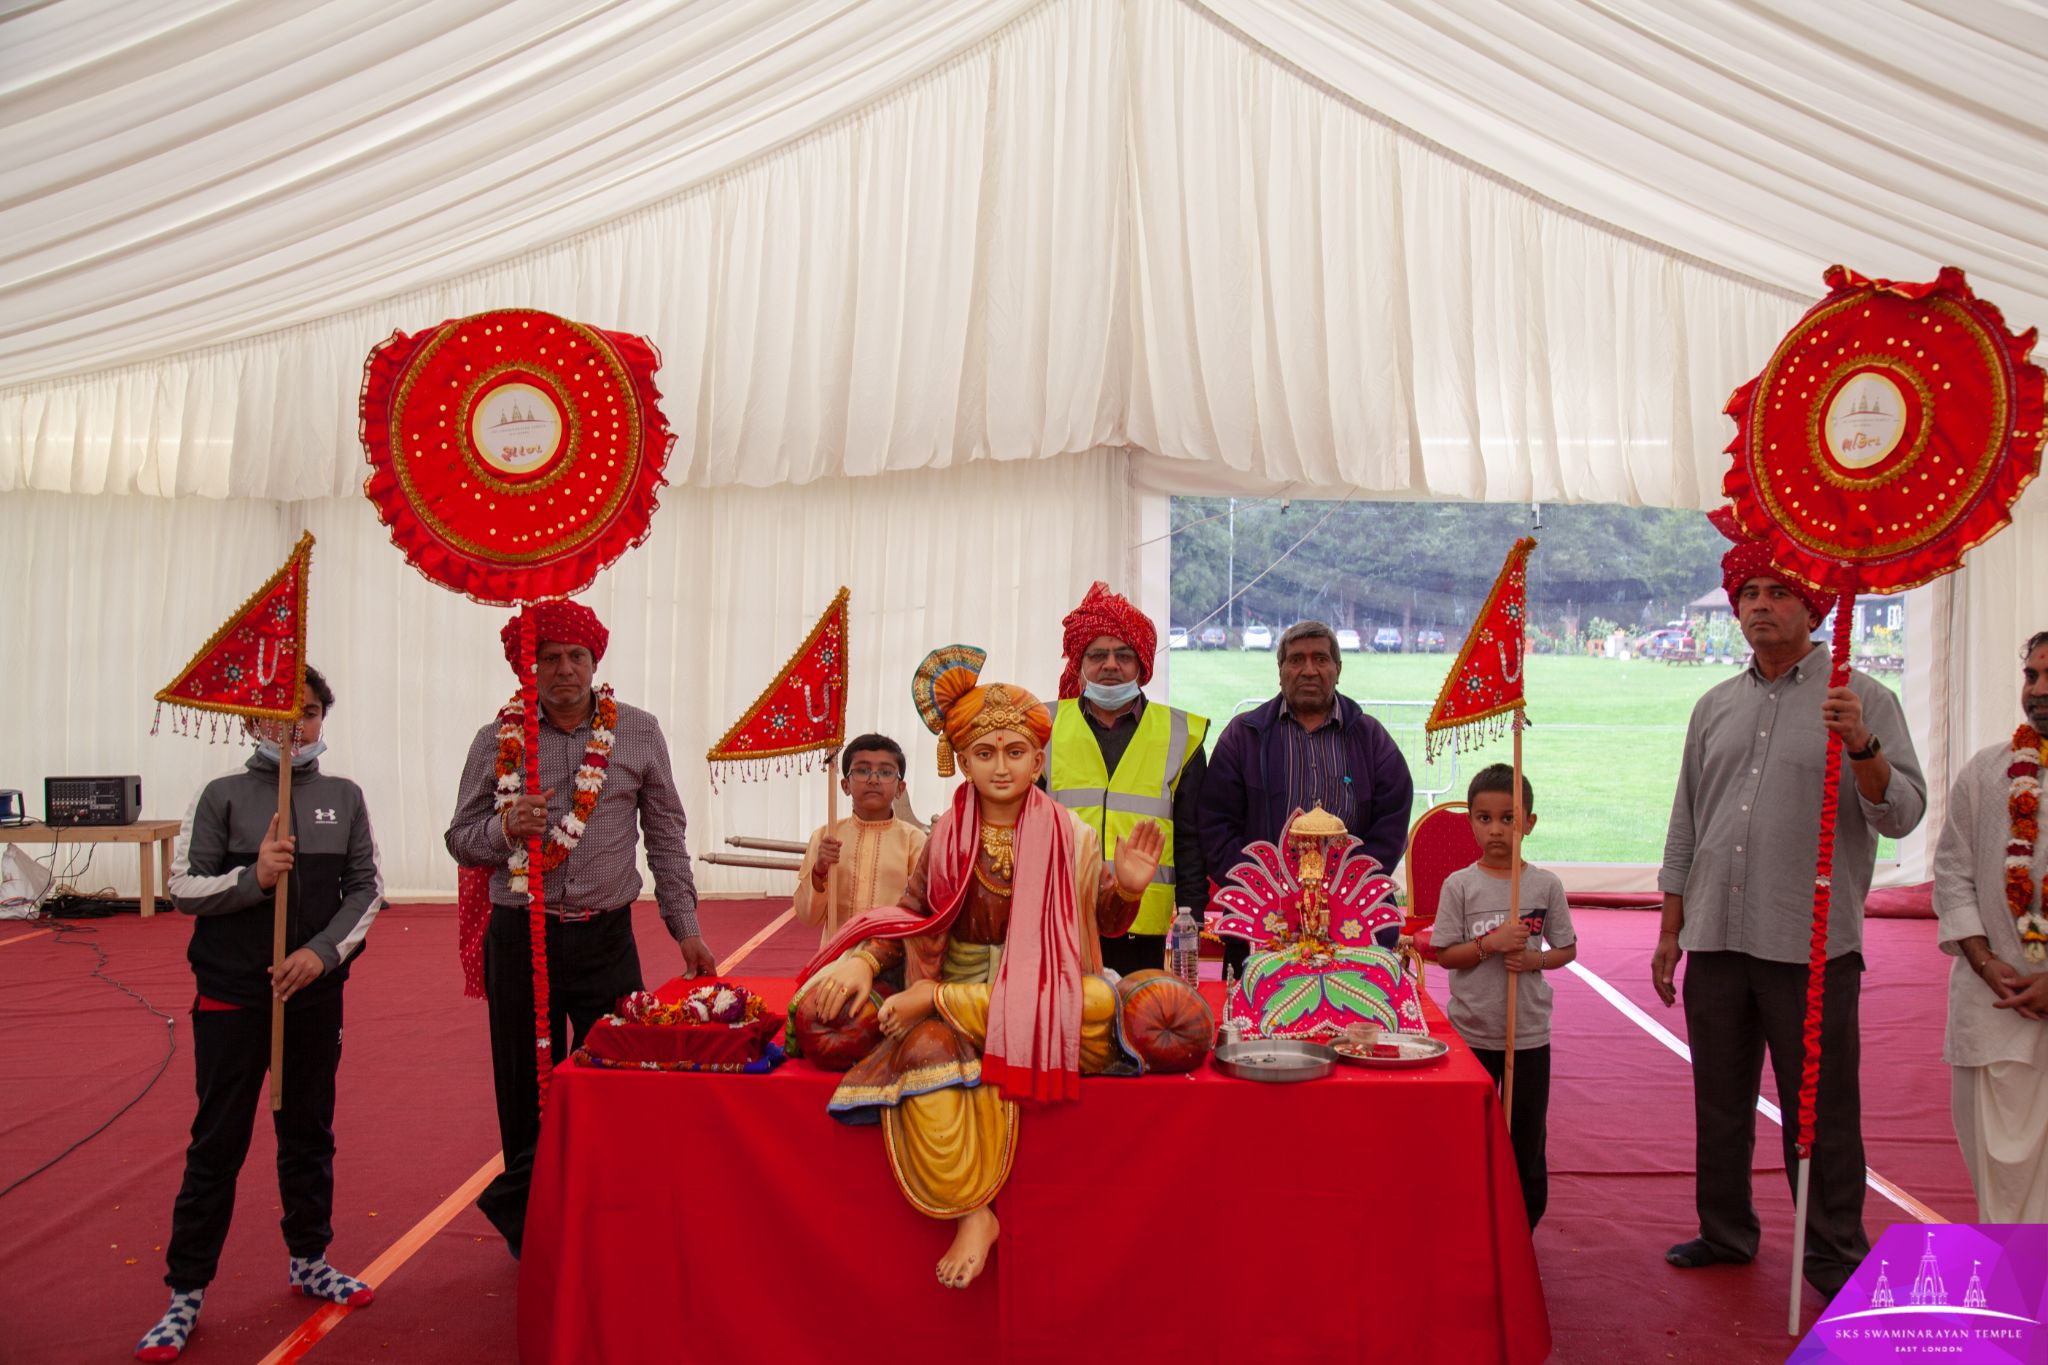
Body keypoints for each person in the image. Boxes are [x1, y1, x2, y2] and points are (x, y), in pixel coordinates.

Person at [794, 649, 1163, 1289]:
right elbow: (910, 914)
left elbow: (1102, 924)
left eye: (1014, 752)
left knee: (1097, 1004)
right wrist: (861, 961)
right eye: (985, 753)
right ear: (962, 761)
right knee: (924, 1051)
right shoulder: (943, 837)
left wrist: (1125, 889)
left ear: (1037, 761)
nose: (1000, 766)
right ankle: (972, 1210)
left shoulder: (1071, 835)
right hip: (964, 988)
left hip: (1042, 992)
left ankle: (938, 1007)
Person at [1654, 540, 1926, 1299]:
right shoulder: (1714, 705)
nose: (1761, 606)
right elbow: (1686, 825)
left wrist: (1861, 744)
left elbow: (1902, 811)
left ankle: (1835, 1251)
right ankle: (1725, 1228)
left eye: (1779, 592)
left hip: (1811, 945)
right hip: (1714, 934)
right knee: (1719, 1096)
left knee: (1823, 1108)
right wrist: (1671, 929)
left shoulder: (1860, 697)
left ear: (1815, 607)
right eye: (1750, 594)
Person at [445, 600, 715, 1258]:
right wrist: (505, 829)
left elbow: (667, 838)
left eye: (576, 657)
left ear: (596, 663)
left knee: (616, 1078)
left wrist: (686, 927)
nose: (564, 669)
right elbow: (459, 839)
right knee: (524, 1082)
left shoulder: (640, 733)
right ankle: (535, 1227)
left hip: (605, 939)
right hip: (520, 936)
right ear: (527, 667)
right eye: (550, 657)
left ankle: (612, 1212)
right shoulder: (496, 739)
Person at [136, 669, 383, 1363]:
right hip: (232, 996)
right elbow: (184, 884)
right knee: (217, 1141)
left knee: (308, 1129)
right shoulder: (220, 795)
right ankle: (185, 1291)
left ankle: (309, 1256)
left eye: (305, 713)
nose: (293, 727)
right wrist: (256, 878)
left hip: (310, 994)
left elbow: (367, 889)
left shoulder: (346, 796)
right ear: (250, 720)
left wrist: (320, 954)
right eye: (278, 714)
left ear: (321, 720)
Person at [1198, 620, 1414, 973]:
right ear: (1280, 671)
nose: (1309, 670)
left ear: (1338, 670)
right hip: (1263, 921)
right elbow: (1215, 826)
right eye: (1296, 660)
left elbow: (1391, 825)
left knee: (1356, 1024)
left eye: (1321, 659)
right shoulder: (1244, 737)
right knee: (1258, 1023)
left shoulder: (1370, 738)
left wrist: (1347, 891)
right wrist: (1265, 892)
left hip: (1354, 920)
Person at [1933, 629, 2048, 1221]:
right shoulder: (1987, 772)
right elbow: (1952, 873)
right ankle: (2020, 1295)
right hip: (1994, 1004)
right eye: (2032, 676)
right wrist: (1984, 961)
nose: (2039, 691)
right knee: (1996, 1175)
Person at [1429, 764, 1575, 1228]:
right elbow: (1446, 955)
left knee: (1526, 1138)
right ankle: (1468, 1219)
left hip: (1528, 1034)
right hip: (1472, 1032)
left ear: (1529, 823)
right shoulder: (1460, 885)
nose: (1496, 829)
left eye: (1509, 818)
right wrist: (1490, 944)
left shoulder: (1545, 885)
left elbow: (1567, 949)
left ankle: (1523, 1226)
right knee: (1467, 1136)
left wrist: (1537, 961)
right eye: (1485, 818)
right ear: (1470, 821)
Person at [1045, 582, 1208, 976]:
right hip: (1061, 917)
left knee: (1139, 1026)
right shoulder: (1043, 726)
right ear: (1079, 663)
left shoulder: (1181, 734)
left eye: (1123, 654)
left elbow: (1190, 841)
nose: (1110, 665)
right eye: (1097, 655)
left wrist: (1194, 922)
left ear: (1142, 665)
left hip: (1146, 928)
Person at [793, 734, 926, 946]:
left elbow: (924, 912)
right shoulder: (825, 837)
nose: (873, 779)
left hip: (894, 964)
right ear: (845, 785)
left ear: (900, 789)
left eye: (885, 772)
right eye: (863, 770)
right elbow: (808, 918)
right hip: (834, 960)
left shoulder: (914, 841)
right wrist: (819, 872)